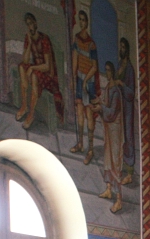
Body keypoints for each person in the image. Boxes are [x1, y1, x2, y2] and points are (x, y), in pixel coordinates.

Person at [16, 12, 63, 131]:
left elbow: (47, 66)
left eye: (31, 23)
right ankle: (24, 106)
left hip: (48, 75)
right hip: (37, 70)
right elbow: (25, 60)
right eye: (28, 24)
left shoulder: (44, 39)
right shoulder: (28, 38)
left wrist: (32, 68)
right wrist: (29, 44)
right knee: (22, 67)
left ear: (35, 23)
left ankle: (31, 114)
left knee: (34, 75)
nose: (30, 27)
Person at [96, 62, 125, 214]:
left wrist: (102, 108)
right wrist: (99, 104)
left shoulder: (116, 91)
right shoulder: (108, 88)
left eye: (108, 70)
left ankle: (119, 199)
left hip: (115, 127)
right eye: (105, 70)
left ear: (112, 72)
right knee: (107, 158)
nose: (106, 73)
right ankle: (108, 189)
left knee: (115, 161)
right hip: (109, 127)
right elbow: (105, 104)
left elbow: (112, 111)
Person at [70, 10, 99, 163]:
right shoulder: (76, 40)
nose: (81, 22)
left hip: (89, 82)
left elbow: (94, 66)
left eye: (83, 20)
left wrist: (86, 80)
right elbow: (75, 59)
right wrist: (74, 80)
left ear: (86, 22)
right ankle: (80, 143)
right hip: (80, 79)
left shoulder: (91, 44)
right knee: (79, 112)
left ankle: (91, 148)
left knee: (89, 114)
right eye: (79, 20)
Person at [117, 38, 136, 185]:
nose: (122, 49)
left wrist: (121, 84)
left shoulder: (129, 68)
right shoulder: (120, 65)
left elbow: (131, 92)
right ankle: (121, 166)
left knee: (128, 137)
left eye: (124, 47)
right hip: (119, 106)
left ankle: (129, 172)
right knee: (120, 136)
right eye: (120, 47)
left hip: (127, 107)